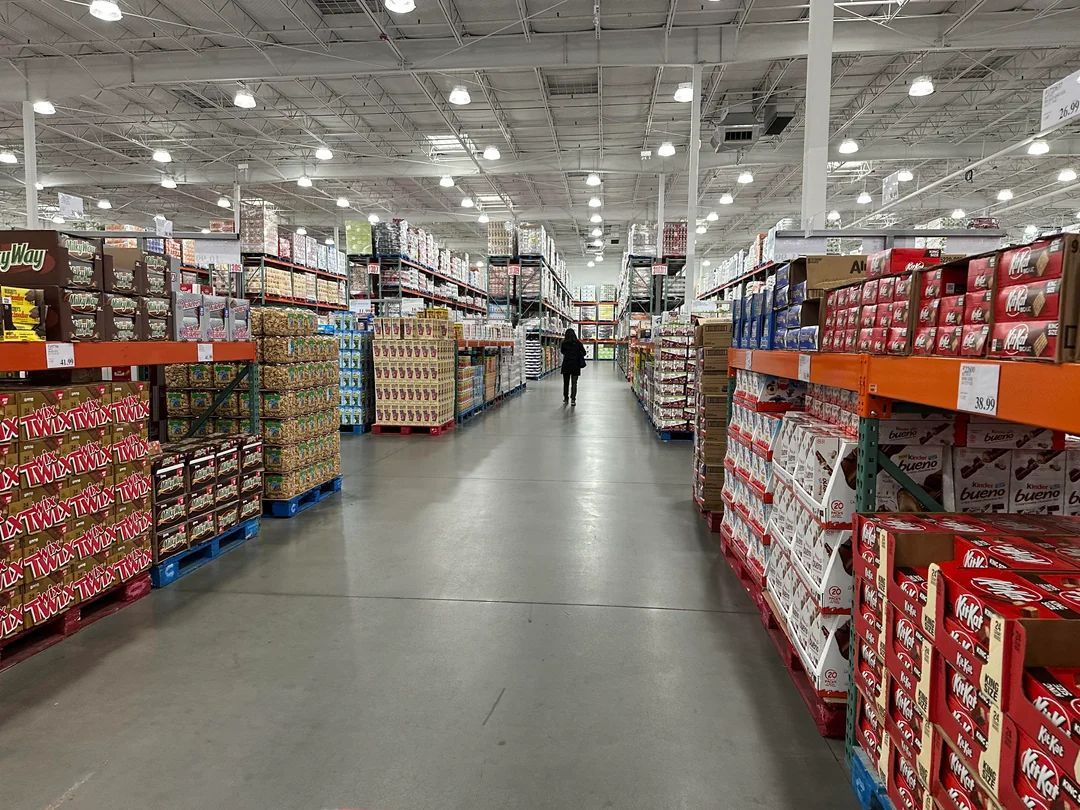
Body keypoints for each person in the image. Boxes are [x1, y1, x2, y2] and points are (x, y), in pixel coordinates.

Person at [560, 328, 586, 405]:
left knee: (566, 383)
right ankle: (573, 400)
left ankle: (565, 398)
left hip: (566, 365)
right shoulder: (578, 343)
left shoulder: (564, 343)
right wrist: (578, 354)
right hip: (575, 365)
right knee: (574, 383)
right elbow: (584, 352)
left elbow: (562, 352)